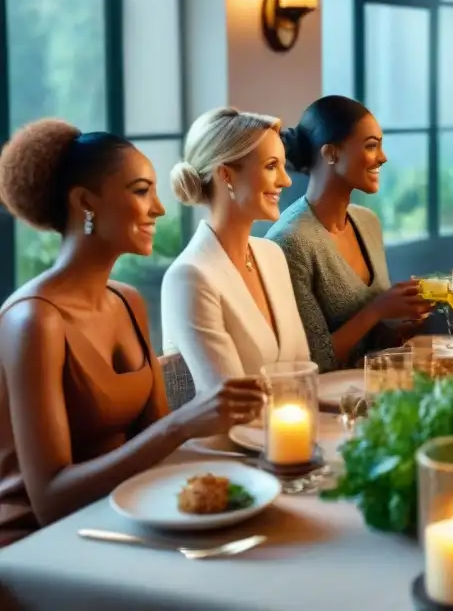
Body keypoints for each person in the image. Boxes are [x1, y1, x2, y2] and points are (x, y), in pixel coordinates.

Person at [0, 120, 265, 545]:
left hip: (124, 516)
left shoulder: (127, 301)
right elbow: (50, 501)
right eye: (141, 191)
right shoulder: (33, 321)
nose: (159, 208)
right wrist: (182, 424)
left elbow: (155, 444)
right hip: (36, 548)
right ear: (85, 202)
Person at [266, 96, 432, 373]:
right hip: (328, 405)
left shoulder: (367, 222)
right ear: (331, 153)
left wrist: (406, 325)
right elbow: (312, 362)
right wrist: (377, 310)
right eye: (371, 146)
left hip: (377, 389)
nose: (383, 157)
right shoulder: (290, 242)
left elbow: (372, 342)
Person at [161, 108, 311, 392]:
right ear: (226, 175)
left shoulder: (272, 255)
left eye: (283, 165)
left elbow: (303, 369)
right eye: (271, 166)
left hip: (289, 429)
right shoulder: (189, 277)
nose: (286, 180)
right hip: (232, 436)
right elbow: (229, 404)